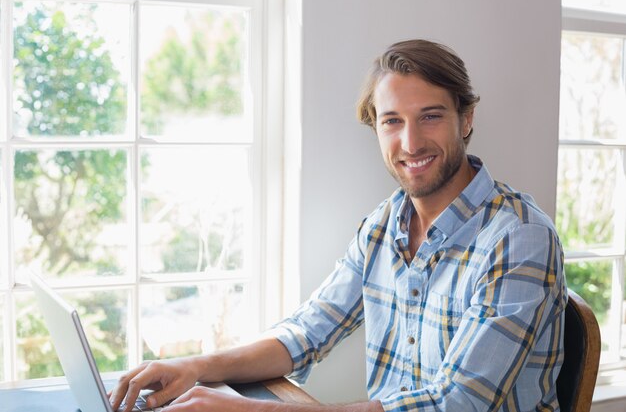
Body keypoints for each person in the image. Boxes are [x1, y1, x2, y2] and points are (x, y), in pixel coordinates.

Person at [110, 39, 566, 412]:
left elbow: (457, 403)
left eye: (430, 116)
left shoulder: (518, 238)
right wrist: (196, 366)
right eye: (392, 121)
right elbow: (307, 332)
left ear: (466, 119)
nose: (410, 142)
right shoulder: (384, 225)